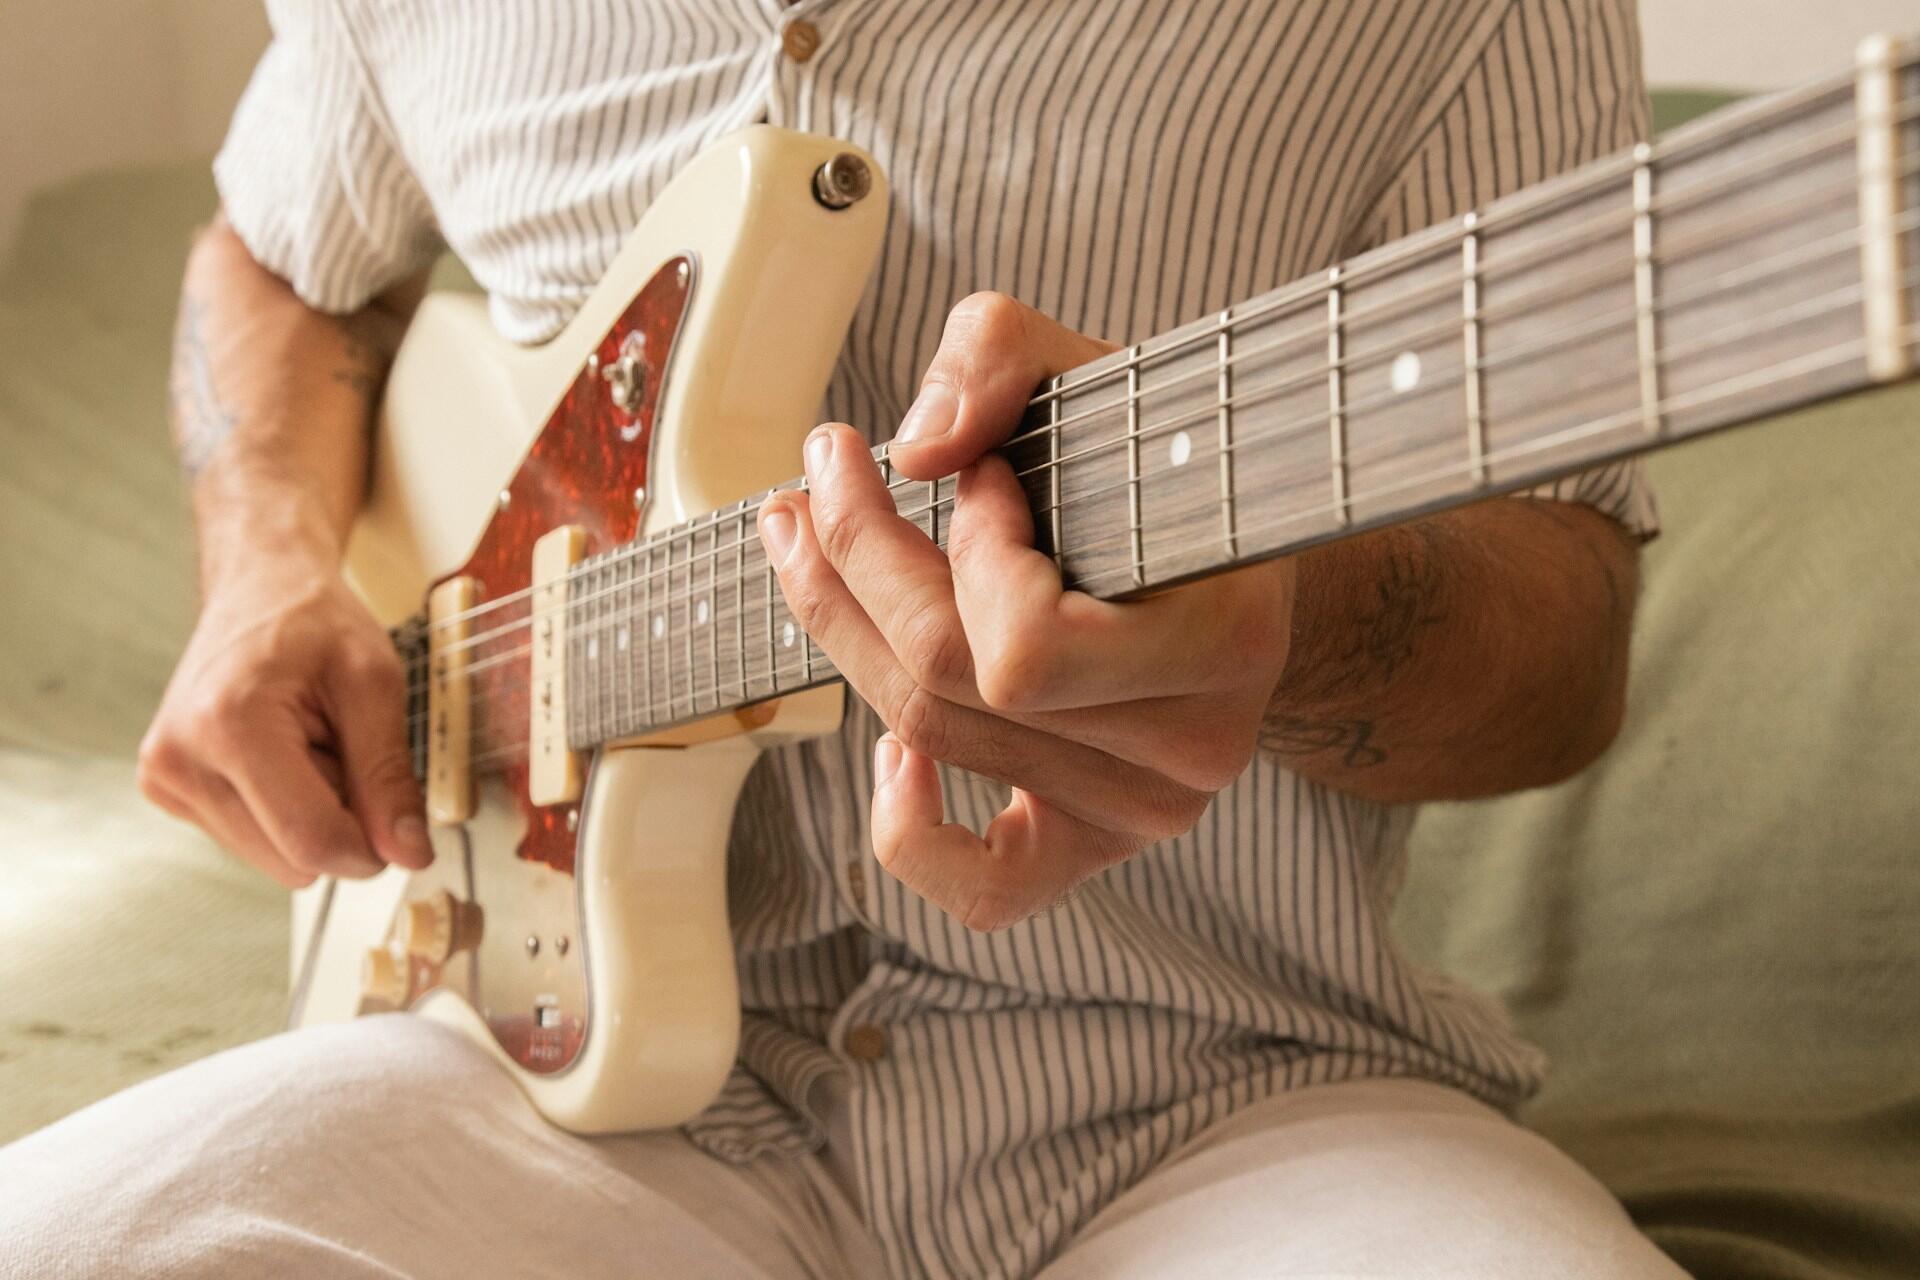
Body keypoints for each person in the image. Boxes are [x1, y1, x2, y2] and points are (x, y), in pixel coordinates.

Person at [0, 3, 1688, 1277]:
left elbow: (1565, 632)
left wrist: (1290, 630)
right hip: (541, 1082)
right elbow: (277, 258)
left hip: (1228, 1091)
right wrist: (263, 566)